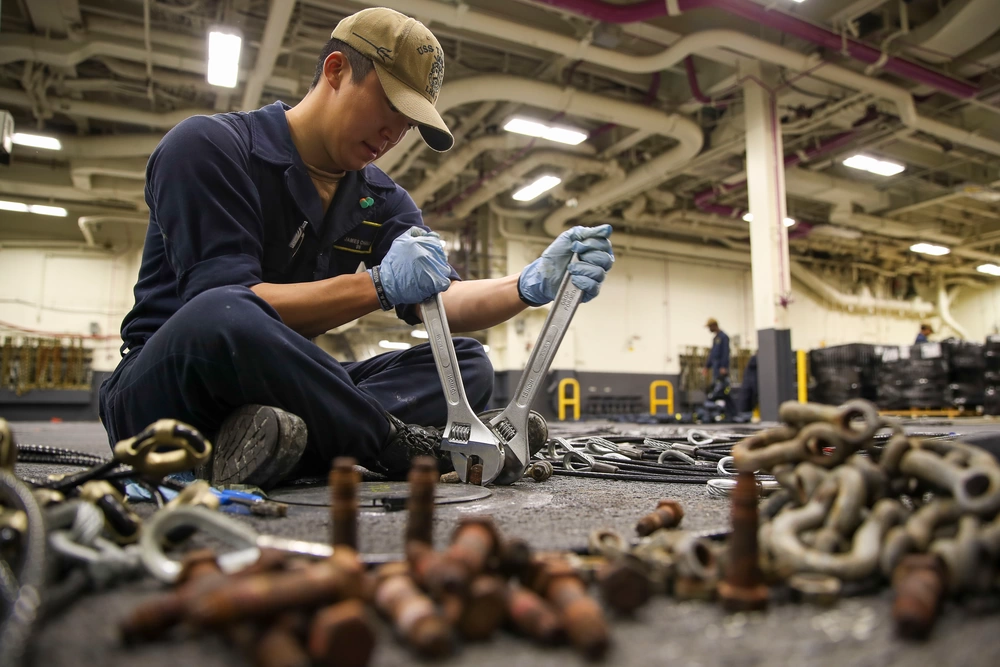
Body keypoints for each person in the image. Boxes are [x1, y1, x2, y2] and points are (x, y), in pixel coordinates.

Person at [98, 7, 614, 489]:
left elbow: (441, 301)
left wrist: (528, 285)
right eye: (390, 106)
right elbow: (226, 311)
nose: (395, 134)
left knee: (466, 363)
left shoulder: (381, 199)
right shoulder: (210, 147)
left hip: (282, 392)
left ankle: (278, 444)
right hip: (171, 391)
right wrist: (378, 285)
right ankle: (392, 446)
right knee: (226, 310)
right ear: (336, 70)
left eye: (409, 123)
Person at [702, 318, 730, 382]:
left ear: (714, 325)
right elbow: (712, 354)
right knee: (715, 384)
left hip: (721, 368)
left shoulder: (724, 337)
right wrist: (707, 367)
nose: (709, 329)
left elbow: (725, 352)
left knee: (722, 384)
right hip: (715, 367)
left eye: (709, 327)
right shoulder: (715, 338)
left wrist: (723, 366)